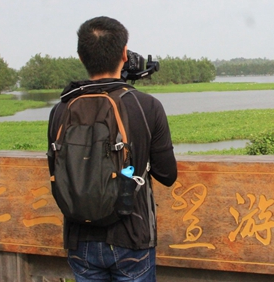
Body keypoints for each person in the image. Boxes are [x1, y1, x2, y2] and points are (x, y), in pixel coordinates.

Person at [47, 16, 177, 282]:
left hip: (79, 238)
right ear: (124, 54)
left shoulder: (61, 109)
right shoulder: (146, 106)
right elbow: (167, 175)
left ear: (81, 57)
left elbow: (58, 169)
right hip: (132, 235)